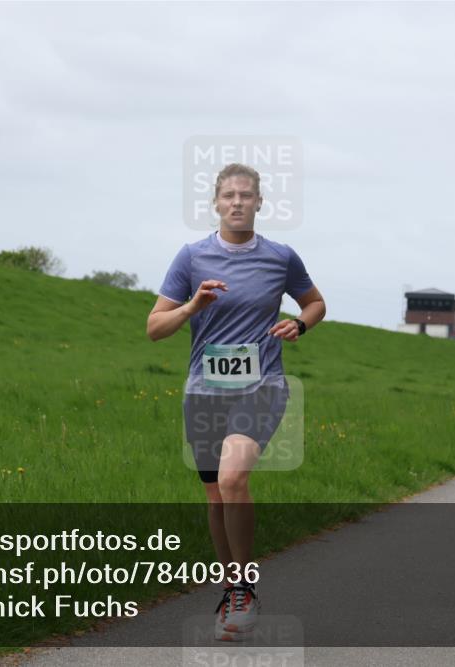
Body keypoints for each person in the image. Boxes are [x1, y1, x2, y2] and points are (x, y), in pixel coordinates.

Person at [147, 163, 326, 640]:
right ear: (216, 203)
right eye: (229, 195)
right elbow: (154, 328)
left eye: (246, 195)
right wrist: (192, 306)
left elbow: (315, 302)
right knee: (215, 493)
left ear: (260, 202)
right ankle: (232, 587)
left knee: (233, 477)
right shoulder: (191, 257)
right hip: (204, 391)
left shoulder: (281, 257)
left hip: (261, 383)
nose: (237, 202)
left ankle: (244, 589)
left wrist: (301, 324)